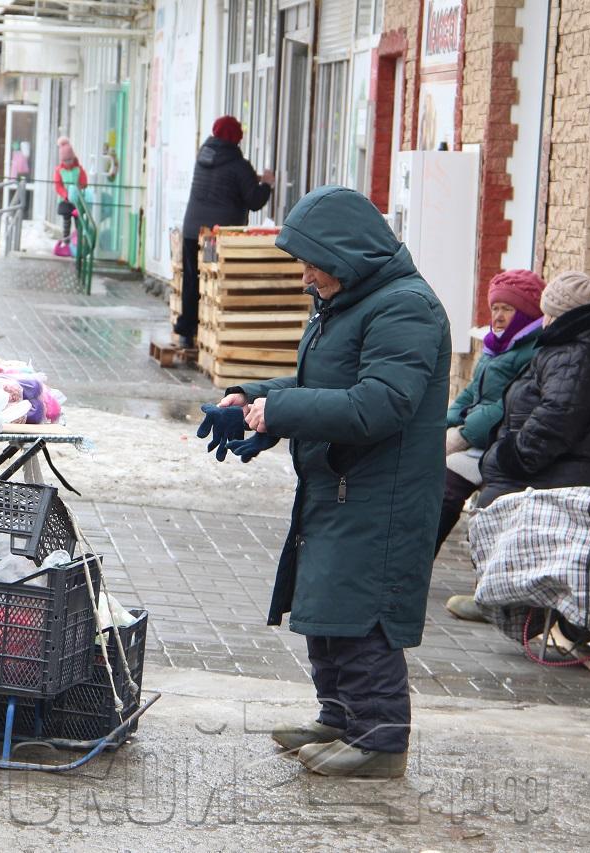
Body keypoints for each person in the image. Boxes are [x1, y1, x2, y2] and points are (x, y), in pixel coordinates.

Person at [211, 187, 450, 778]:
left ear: (347, 255)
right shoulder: (349, 304)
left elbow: (380, 404)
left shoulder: (405, 308)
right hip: (340, 484)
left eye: (312, 264)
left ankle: (379, 740)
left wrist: (284, 413)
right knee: (326, 606)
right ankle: (341, 717)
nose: (304, 278)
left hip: (381, 495)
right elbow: (321, 378)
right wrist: (255, 399)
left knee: (363, 616)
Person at [476, 271, 590, 510]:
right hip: (568, 465)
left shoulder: (577, 356)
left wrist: (505, 457)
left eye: (549, 314)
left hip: (575, 473)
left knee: (489, 502)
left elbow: (553, 422)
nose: (544, 322)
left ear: (561, 316)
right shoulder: (581, 347)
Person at [438, 270, 546, 622]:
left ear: (528, 313)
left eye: (507, 310)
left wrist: (463, 435)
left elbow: (506, 406)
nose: (498, 316)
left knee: (461, 493)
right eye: (495, 307)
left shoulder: (532, 350)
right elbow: (472, 392)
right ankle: (406, 568)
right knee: (435, 486)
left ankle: (488, 589)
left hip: (502, 444)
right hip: (479, 441)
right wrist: (446, 422)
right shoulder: (495, 344)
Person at [177, 116, 275, 348]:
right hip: (215, 236)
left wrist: (253, 179)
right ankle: (211, 336)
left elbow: (223, 182)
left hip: (192, 231)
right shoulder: (239, 165)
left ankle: (186, 333)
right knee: (213, 281)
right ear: (236, 138)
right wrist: (267, 183)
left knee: (192, 281)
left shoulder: (204, 156)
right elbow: (253, 200)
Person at [52, 136, 88, 257]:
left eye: (69, 160)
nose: (68, 163)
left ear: (73, 158)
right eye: (65, 160)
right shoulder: (59, 171)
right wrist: (66, 195)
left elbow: (84, 182)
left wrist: (80, 188)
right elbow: (58, 186)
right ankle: (66, 242)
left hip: (77, 201)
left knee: (79, 222)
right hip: (65, 201)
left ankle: (79, 243)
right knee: (66, 222)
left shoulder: (78, 170)